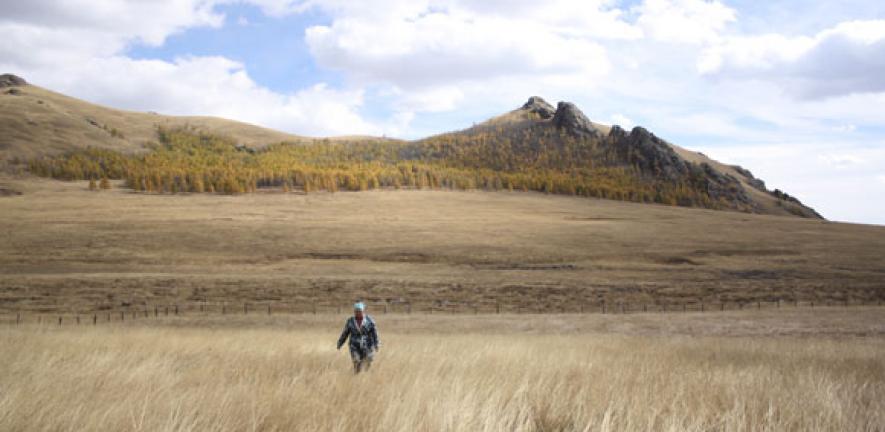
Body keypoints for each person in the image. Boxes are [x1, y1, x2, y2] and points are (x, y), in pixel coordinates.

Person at [336, 302, 380, 373]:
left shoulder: (370, 320)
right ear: (354, 312)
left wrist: (377, 344)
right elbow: (345, 333)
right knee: (356, 361)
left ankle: (365, 374)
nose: (358, 313)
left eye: (360, 311)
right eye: (356, 311)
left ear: (363, 311)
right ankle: (357, 375)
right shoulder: (350, 321)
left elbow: (375, 333)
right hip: (354, 345)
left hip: (368, 345)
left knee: (368, 359)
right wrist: (340, 343)